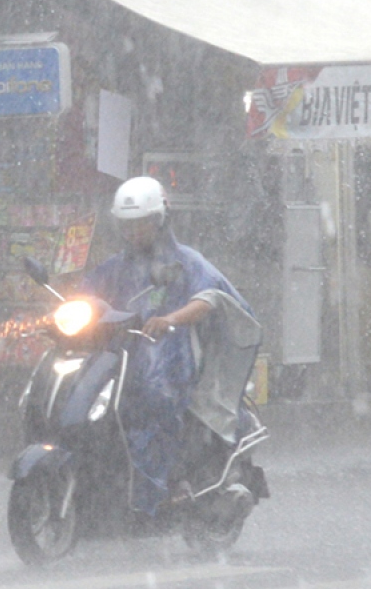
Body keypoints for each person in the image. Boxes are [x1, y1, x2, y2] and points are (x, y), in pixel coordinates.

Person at [79, 176, 252, 515]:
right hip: (121, 357)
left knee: (154, 399)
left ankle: (166, 484)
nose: (134, 233)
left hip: (173, 357)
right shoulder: (116, 266)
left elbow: (210, 297)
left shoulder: (186, 262)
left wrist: (170, 319)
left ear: (159, 221)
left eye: (141, 224)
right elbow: (86, 295)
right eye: (127, 226)